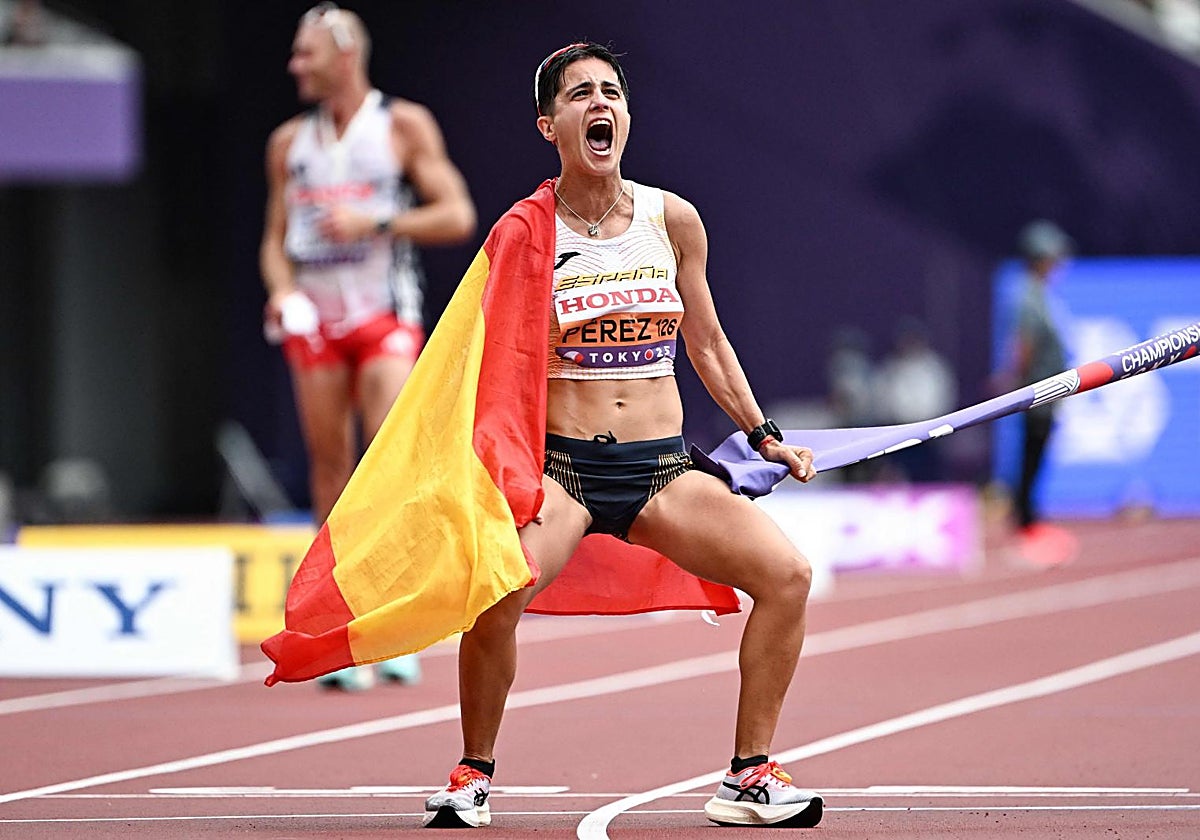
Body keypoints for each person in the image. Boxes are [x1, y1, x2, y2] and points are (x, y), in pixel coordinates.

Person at [421, 43, 823, 829]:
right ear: (550, 125)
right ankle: (473, 774)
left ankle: (748, 775)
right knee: (497, 593)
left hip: (662, 472)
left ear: (625, 118)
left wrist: (763, 434)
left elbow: (706, 344)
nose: (598, 103)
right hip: (564, 472)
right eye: (579, 95)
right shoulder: (523, 232)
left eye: (610, 92)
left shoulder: (672, 219)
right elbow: (490, 362)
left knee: (788, 576)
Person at [259, 3, 476, 690]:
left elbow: (458, 214)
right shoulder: (288, 143)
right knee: (331, 469)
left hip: (383, 313)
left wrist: (377, 218)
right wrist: (283, 293)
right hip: (318, 316)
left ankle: (389, 625)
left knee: (386, 464)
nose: (295, 65)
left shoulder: (402, 124)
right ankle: (332, 624)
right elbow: (274, 240)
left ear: (344, 55)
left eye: (305, 53)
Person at [1004, 220, 1072, 550]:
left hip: (1049, 389)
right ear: (1039, 258)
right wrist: (1016, 379)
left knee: (1036, 453)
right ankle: (1025, 517)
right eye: (1053, 257)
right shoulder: (1029, 297)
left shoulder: (1041, 294)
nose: (1058, 264)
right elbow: (1025, 344)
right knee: (1032, 452)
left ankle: (1027, 513)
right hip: (1038, 390)